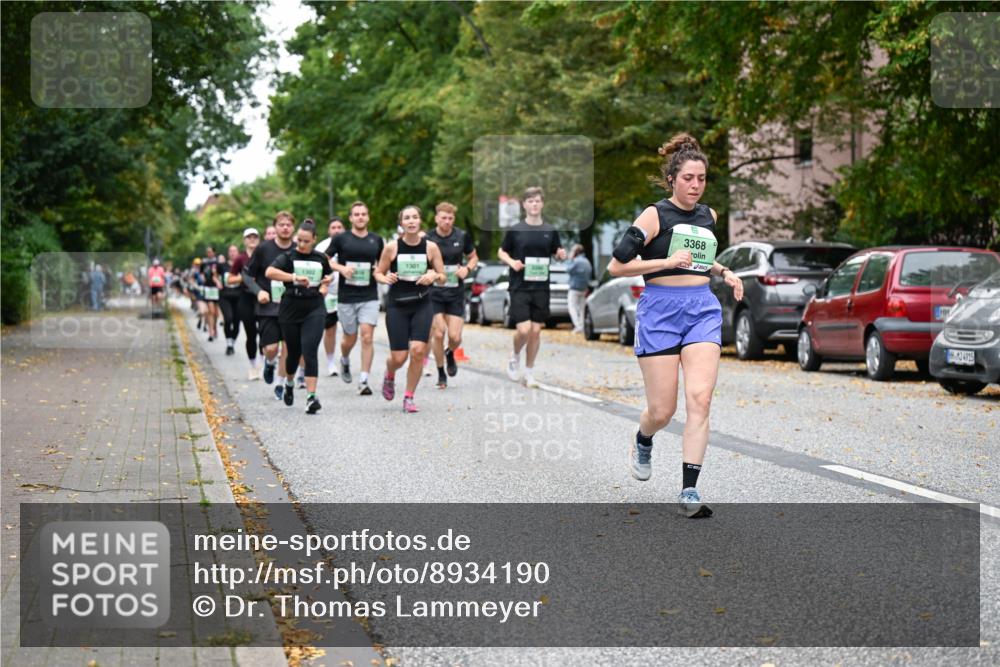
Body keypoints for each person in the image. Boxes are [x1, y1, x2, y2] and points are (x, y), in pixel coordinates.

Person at [607, 133, 744, 518]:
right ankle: (643, 437)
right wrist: (665, 262)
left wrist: (725, 271)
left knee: (700, 399)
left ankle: (689, 491)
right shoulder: (654, 215)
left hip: (702, 308)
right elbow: (617, 266)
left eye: (701, 179)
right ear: (672, 179)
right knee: (662, 410)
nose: (695, 186)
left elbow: (700, 260)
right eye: (688, 178)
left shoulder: (709, 216)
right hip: (660, 311)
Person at [374, 205, 446, 413]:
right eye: (407, 218)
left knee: (417, 350)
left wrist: (434, 276)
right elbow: (378, 272)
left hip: (422, 303)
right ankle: (390, 374)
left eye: (415, 217)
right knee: (399, 357)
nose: (412, 221)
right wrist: (384, 278)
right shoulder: (392, 247)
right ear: (402, 223)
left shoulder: (430, 248)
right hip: (397, 305)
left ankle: (408, 396)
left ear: (420, 221)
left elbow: (443, 278)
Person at [498, 186, 567, 388]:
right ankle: (515, 354)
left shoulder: (550, 230)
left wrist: (561, 254)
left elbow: (558, 251)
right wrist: (512, 263)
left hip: (541, 287)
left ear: (542, 203)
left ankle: (529, 372)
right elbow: (501, 252)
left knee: (536, 332)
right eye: (530, 201)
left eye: (537, 201)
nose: (534, 204)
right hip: (519, 286)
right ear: (524, 205)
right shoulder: (516, 230)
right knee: (524, 330)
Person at [265, 219, 333, 414]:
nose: (302, 245)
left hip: (314, 307)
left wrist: (325, 283)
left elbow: (327, 277)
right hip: (291, 308)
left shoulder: (320, 258)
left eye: (306, 241)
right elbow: (270, 272)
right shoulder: (288, 257)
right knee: (293, 352)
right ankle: (289, 382)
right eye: (299, 240)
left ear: (314, 239)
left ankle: (311, 397)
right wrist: (293, 278)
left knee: (309, 349)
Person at [326, 202, 384, 395]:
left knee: (367, 336)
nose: (360, 217)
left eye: (363, 214)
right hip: (346, 296)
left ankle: (364, 380)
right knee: (349, 337)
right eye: (356, 214)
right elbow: (324, 259)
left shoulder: (376, 240)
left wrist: (379, 270)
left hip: (369, 295)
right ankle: (344, 358)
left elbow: (383, 264)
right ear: (350, 218)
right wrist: (341, 268)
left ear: (368, 217)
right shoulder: (341, 239)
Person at [244, 212, 296, 400]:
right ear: (275, 227)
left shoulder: (298, 250)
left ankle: (280, 383)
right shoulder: (263, 249)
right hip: (268, 307)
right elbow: (248, 276)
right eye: (281, 224)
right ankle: (269, 361)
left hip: (291, 307)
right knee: (272, 348)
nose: (285, 228)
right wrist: (259, 291)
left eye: (288, 225)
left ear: (293, 228)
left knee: (289, 347)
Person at [426, 202, 478, 388]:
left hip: (455, 291)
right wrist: (428, 273)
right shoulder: (428, 238)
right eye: (443, 218)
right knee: (439, 333)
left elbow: (473, 257)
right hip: (434, 292)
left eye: (450, 218)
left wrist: (467, 269)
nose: (447, 221)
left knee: (455, 337)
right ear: (436, 218)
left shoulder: (461, 236)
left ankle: (450, 352)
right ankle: (441, 372)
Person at [315, 217, 346, 376]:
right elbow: (317, 268)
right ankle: (331, 361)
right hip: (330, 293)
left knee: (349, 330)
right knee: (330, 330)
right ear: (329, 230)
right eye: (333, 227)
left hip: (349, 291)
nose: (336, 230)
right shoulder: (322, 247)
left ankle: (345, 356)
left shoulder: (350, 243)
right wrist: (323, 285)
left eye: (339, 227)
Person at [230, 228, 261, 380]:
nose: (252, 240)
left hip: (261, 298)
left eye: (255, 237)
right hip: (245, 298)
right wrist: (244, 279)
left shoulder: (264, 255)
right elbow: (229, 279)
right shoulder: (240, 259)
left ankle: (264, 363)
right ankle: (253, 366)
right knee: (251, 334)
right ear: (244, 240)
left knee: (265, 331)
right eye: (249, 237)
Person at [219, 245, 242, 356]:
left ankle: (231, 343)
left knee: (237, 323)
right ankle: (229, 343)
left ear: (238, 253)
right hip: (225, 296)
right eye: (230, 251)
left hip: (239, 297)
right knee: (228, 319)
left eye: (234, 251)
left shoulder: (241, 265)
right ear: (228, 253)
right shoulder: (222, 265)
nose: (232, 253)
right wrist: (217, 282)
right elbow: (214, 275)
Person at [566, 244, 592, 334]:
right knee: (581, 308)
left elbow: (568, 269)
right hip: (584, 289)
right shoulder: (587, 261)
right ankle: (582, 326)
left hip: (574, 288)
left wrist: (570, 258)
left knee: (571, 307)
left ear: (576, 252)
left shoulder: (576, 261)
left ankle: (578, 326)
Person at [200, 246, 222, 341]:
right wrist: (202, 278)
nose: (208, 253)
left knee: (216, 312)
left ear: (214, 252)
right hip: (208, 288)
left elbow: (221, 274)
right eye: (207, 252)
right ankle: (211, 332)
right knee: (210, 311)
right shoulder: (204, 262)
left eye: (210, 251)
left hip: (216, 288)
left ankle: (214, 327)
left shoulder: (217, 262)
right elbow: (201, 273)